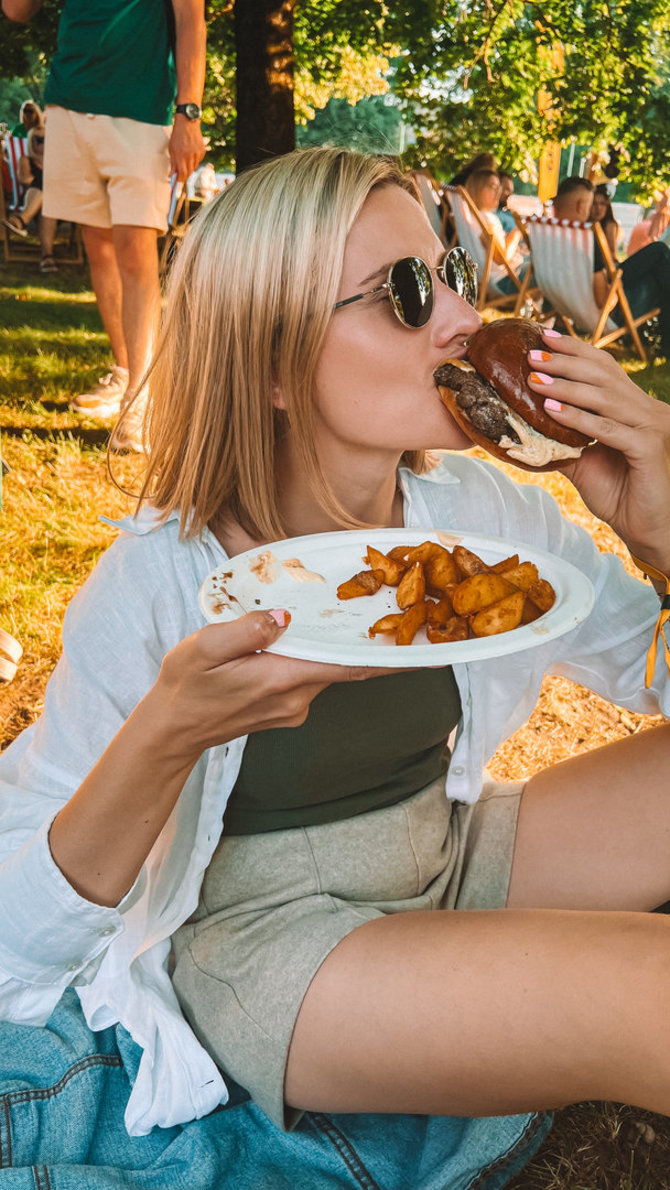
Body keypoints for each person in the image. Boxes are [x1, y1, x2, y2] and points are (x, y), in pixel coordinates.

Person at [0, 147, 670, 1188]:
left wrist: (662, 532)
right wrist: (168, 729)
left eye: (449, 268)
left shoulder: (480, 516)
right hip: (275, 948)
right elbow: (12, 942)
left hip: (444, 852)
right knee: (651, 991)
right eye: (406, 293)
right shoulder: (164, 580)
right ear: (269, 363)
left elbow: (651, 668)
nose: (458, 316)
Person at [1, 0, 207, 451]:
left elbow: (191, 19)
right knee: (99, 246)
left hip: (140, 109)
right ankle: (126, 372)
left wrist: (188, 113)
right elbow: (16, 11)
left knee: (136, 248)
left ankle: (143, 398)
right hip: (70, 103)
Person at [553, 174, 670, 358]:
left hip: (575, 309)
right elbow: (604, 301)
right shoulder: (587, 239)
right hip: (613, 314)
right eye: (592, 202)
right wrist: (613, 280)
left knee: (661, 267)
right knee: (659, 252)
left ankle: (664, 346)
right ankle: (665, 347)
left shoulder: (549, 236)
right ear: (581, 205)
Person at [3, 117, 58, 272]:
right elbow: (25, 180)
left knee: (48, 201)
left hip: (55, 206)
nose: (37, 143)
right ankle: (47, 258)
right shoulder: (26, 160)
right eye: (34, 139)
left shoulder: (57, 161)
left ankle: (20, 220)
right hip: (31, 201)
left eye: (42, 139)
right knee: (44, 191)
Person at [464, 167, 529, 293]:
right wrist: (518, 231)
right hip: (506, 281)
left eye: (498, 187)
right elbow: (502, 258)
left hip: (490, 279)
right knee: (549, 272)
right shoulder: (487, 220)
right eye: (493, 186)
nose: (498, 192)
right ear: (477, 189)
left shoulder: (471, 216)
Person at [627, 188, 670, 256]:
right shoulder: (653, 215)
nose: (658, 201)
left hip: (642, 255)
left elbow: (654, 238)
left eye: (662, 198)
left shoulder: (662, 216)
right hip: (636, 254)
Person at [590, 183, 620, 256]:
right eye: (594, 203)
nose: (598, 208)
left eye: (602, 204)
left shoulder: (609, 224)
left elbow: (612, 252)